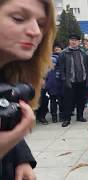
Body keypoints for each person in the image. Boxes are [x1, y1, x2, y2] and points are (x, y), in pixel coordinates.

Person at [0, 0, 56, 179]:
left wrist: (21, 158)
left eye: (41, 24)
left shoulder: (10, 76)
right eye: (18, 18)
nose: (35, 32)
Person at [59, 34, 88, 127]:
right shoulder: (64, 53)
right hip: (70, 81)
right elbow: (61, 68)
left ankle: (80, 116)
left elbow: (87, 66)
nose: (74, 42)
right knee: (68, 101)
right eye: (72, 40)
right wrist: (64, 79)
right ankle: (66, 119)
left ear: (79, 42)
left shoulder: (82, 52)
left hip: (82, 80)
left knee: (81, 100)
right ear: (69, 41)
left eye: (76, 40)